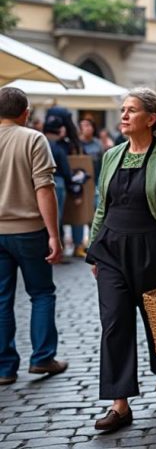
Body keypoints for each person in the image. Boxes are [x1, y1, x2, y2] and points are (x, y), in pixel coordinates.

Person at [86, 88, 156, 432]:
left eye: (132, 110)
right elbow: (103, 206)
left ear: (152, 119)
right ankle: (120, 404)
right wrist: (93, 247)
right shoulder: (111, 156)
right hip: (112, 250)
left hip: (153, 249)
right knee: (115, 323)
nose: (124, 116)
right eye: (123, 110)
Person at [0, 88, 67, 386]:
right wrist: (54, 234)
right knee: (41, 294)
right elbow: (44, 188)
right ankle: (41, 358)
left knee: (1, 299)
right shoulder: (33, 139)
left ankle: (4, 368)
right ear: (25, 112)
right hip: (28, 230)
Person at [71, 119, 104, 258]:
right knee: (79, 215)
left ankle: (94, 244)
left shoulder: (98, 144)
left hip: (96, 184)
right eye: (83, 125)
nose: (87, 128)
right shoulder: (75, 144)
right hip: (80, 185)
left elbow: (103, 164)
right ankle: (78, 245)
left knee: (96, 213)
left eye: (89, 125)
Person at [42, 115, 74, 253]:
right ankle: (55, 244)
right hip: (58, 181)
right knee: (56, 215)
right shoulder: (58, 146)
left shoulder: (38, 141)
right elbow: (66, 170)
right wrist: (71, 183)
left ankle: (46, 244)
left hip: (37, 182)